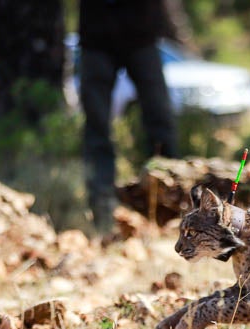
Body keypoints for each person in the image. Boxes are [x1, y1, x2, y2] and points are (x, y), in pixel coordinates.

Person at [79, 0, 181, 237]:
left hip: (141, 33)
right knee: (96, 128)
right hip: (96, 36)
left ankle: (169, 204)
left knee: (160, 120)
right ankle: (102, 210)